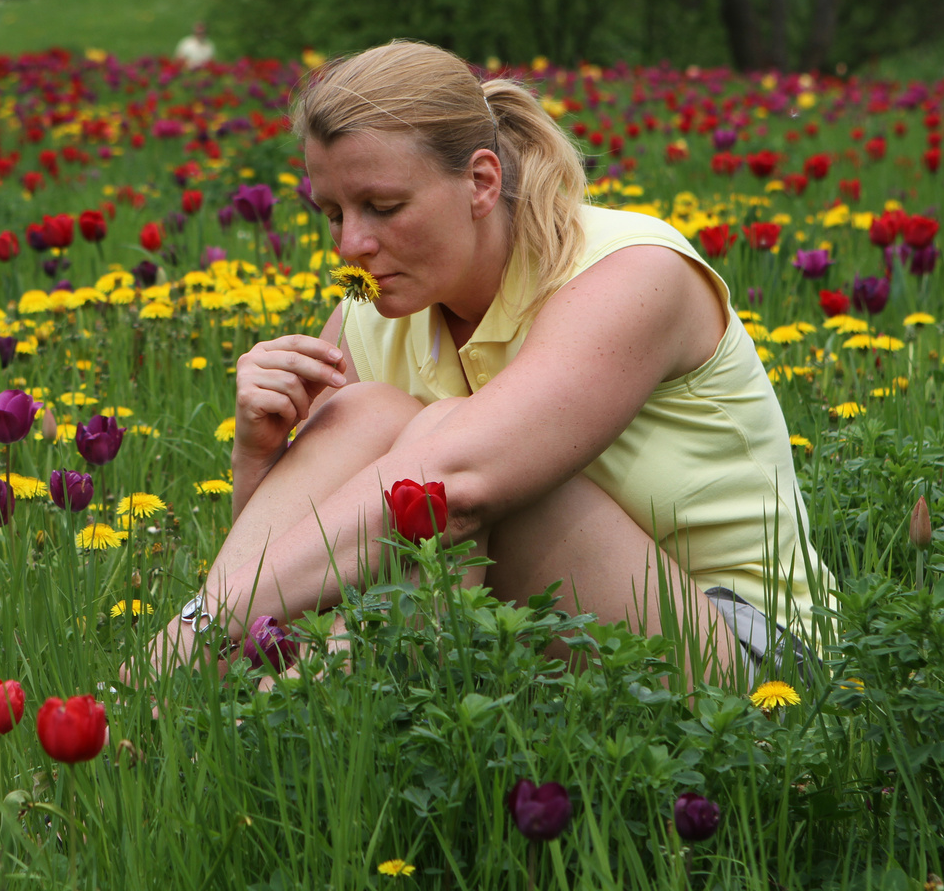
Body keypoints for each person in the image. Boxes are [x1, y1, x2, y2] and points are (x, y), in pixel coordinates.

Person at [153, 40, 831, 686]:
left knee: (451, 461)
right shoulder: (371, 315)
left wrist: (187, 635)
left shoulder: (632, 272)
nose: (350, 246)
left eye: (383, 207)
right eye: (331, 213)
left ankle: (293, 706)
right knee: (364, 415)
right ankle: (197, 711)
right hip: (538, 657)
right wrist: (257, 456)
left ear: (481, 181)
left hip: (747, 659)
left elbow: (462, 481)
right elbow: (306, 568)